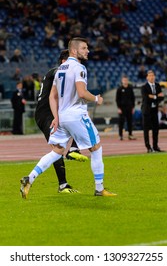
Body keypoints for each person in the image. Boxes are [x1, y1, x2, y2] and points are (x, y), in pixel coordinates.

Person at [20, 37, 116, 198]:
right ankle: (99, 189)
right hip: (77, 115)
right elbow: (82, 93)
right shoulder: (79, 68)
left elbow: (52, 96)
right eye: (84, 48)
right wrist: (96, 99)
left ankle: (30, 178)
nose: (88, 51)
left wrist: (56, 117)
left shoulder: (61, 69)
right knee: (96, 148)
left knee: (57, 151)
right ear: (74, 50)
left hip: (63, 117)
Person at [20, 49, 88, 198]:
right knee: (58, 148)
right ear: (64, 61)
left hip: (50, 113)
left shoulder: (58, 75)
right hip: (47, 115)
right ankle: (65, 175)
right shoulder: (56, 71)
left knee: (58, 148)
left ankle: (32, 179)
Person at [141, 70, 164, 153]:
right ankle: (148, 147)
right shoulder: (144, 87)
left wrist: (153, 96)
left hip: (154, 110)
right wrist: (156, 96)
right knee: (146, 129)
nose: (151, 77)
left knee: (156, 129)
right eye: (150, 75)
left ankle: (155, 146)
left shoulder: (158, 85)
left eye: (153, 75)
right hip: (146, 111)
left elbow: (162, 98)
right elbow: (146, 98)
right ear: (147, 77)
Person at [116, 76, 136, 140]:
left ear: (127, 80)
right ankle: (120, 135)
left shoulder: (130, 88)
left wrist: (133, 107)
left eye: (126, 80)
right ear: (122, 81)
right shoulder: (119, 89)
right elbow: (117, 99)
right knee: (121, 122)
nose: (125, 81)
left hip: (129, 107)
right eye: (124, 80)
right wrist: (119, 108)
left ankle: (130, 135)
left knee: (130, 121)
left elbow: (133, 98)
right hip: (122, 108)